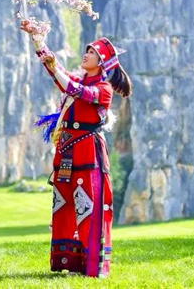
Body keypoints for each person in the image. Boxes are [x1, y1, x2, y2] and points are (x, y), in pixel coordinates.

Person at [20, 19, 132, 278]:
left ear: (101, 62)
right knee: (64, 205)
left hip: (88, 153)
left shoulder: (103, 89)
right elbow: (57, 72)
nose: (86, 54)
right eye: (87, 50)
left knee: (87, 205)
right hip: (66, 152)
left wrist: (53, 64)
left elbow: (72, 88)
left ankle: (90, 265)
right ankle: (69, 262)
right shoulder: (80, 81)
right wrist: (38, 41)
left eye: (92, 52)